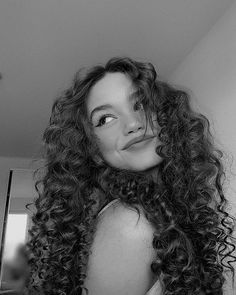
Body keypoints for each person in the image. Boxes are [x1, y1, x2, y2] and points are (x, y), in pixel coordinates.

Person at [25, 56, 236, 295]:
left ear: (168, 118)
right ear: (91, 147)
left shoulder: (164, 212)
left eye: (141, 104)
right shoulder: (131, 224)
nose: (133, 124)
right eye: (105, 119)